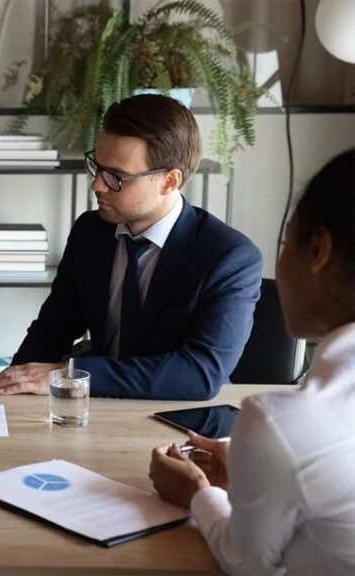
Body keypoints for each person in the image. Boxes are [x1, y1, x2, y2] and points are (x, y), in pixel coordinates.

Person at [149, 149, 355, 574]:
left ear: (318, 249)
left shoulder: (282, 422)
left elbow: (248, 564)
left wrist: (197, 493)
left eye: (285, 243)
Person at [0, 94, 262, 400]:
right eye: (97, 167)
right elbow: (52, 329)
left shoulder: (228, 257)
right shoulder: (91, 232)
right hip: (97, 410)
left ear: (169, 181)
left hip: (184, 421)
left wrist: (71, 373)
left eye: (116, 177)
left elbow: (199, 373)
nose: (97, 186)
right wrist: (8, 393)